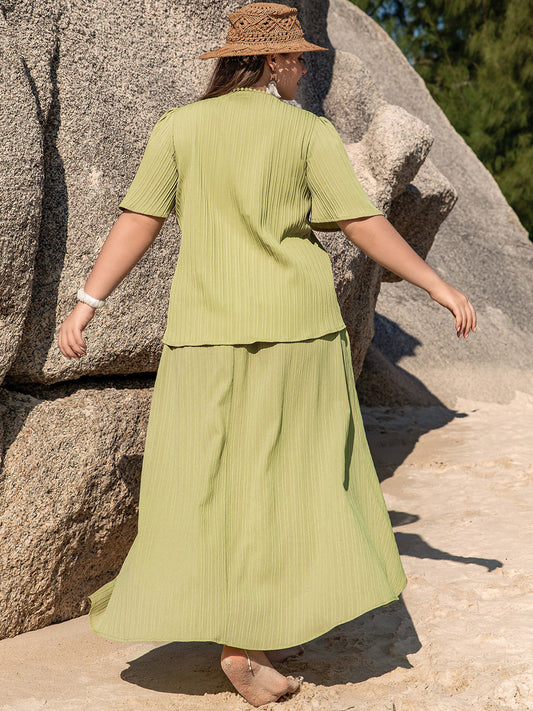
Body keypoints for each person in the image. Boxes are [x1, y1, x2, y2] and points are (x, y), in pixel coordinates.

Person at [58, 2, 476, 707]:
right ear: (273, 59)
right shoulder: (305, 132)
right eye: (298, 56)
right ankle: (248, 638)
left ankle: (242, 635)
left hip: (204, 333)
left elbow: (138, 219)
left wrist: (86, 303)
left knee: (209, 485)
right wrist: (437, 284)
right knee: (290, 482)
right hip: (297, 331)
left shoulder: (179, 128)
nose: (304, 66)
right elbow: (361, 221)